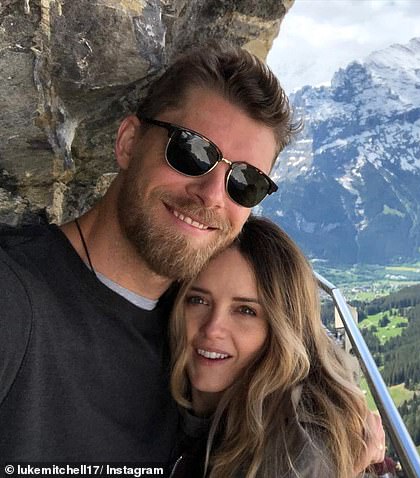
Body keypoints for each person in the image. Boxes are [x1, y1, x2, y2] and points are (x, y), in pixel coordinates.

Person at [0, 41, 384, 468]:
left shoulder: (196, 331)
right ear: (128, 142)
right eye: (191, 151)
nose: (212, 196)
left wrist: (340, 450)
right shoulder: (17, 300)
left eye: (246, 180)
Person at [168, 216, 385, 477]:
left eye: (245, 311)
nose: (213, 328)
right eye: (198, 300)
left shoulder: (292, 455)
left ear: (282, 330)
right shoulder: (151, 371)